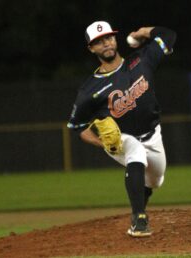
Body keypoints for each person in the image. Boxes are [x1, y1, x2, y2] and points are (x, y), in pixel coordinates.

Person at [67, 20, 176, 237]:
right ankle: (139, 219)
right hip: (121, 140)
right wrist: (102, 143)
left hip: (153, 134)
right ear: (92, 49)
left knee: (156, 180)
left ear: (115, 39)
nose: (105, 44)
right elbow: (77, 127)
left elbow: (169, 35)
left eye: (108, 37)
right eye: (98, 42)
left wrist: (142, 32)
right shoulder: (89, 90)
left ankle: (142, 196)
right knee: (134, 150)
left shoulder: (141, 60)